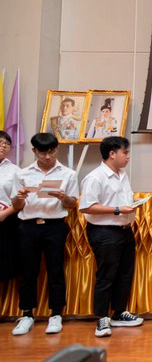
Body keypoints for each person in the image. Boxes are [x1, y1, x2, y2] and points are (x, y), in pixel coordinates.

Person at [10, 133, 79, 336]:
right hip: (28, 225)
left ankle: (56, 314)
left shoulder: (68, 174)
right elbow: (16, 206)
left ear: (57, 149)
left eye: (51, 151)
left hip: (55, 225)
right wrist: (19, 197)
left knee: (55, 270)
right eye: (42, 152)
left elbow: (73, 204)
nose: (47, 156)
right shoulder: (22, 174)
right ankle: (27, 314)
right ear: (34, 151)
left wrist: (63, 197)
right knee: (28, 271)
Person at [80, 136, 144, 337]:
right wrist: (118, 209)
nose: (128, 157)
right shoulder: (95, 177)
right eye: (125, 153)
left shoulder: (122, 174)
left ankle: (118, 312)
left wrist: (132, 203)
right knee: (106, 275)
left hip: (124, 230)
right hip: (104, 232)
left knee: (125, 273)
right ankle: (102, 317)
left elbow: (118, 199)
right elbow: (87, 206)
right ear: (112, 154)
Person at [0, 131, 20, 282]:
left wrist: (5, 214)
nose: (3, 146)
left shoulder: (15, 170)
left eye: (7, 144)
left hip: (5, 220)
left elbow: (20, 199)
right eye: (0, 142)